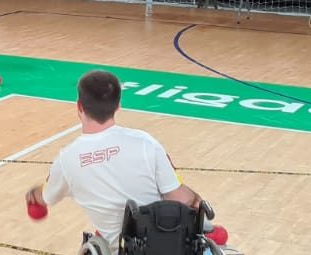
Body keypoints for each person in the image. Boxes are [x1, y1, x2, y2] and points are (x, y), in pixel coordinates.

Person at [25, 70, 201, 244]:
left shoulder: (66, 160)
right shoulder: (146, 143)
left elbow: (46, 197)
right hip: (170, 249)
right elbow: (180, 198)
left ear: (79, 106)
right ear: (118, 106)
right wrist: (197, 201)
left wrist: (33, 194)